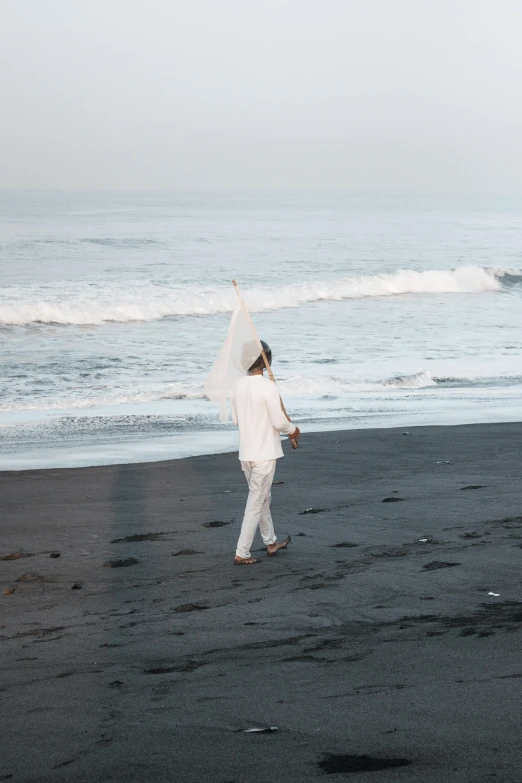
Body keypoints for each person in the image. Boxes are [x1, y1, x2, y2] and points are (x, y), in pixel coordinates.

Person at [231, 340, 301, 565]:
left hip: (246, 454)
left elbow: (236, 420)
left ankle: (270, 542)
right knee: (256, 501)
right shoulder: (269, 387)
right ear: (266, 361)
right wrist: (293, 429)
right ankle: (242, 552)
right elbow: (279, 422)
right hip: (264, 454)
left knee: (262, 499)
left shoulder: (237, 386)